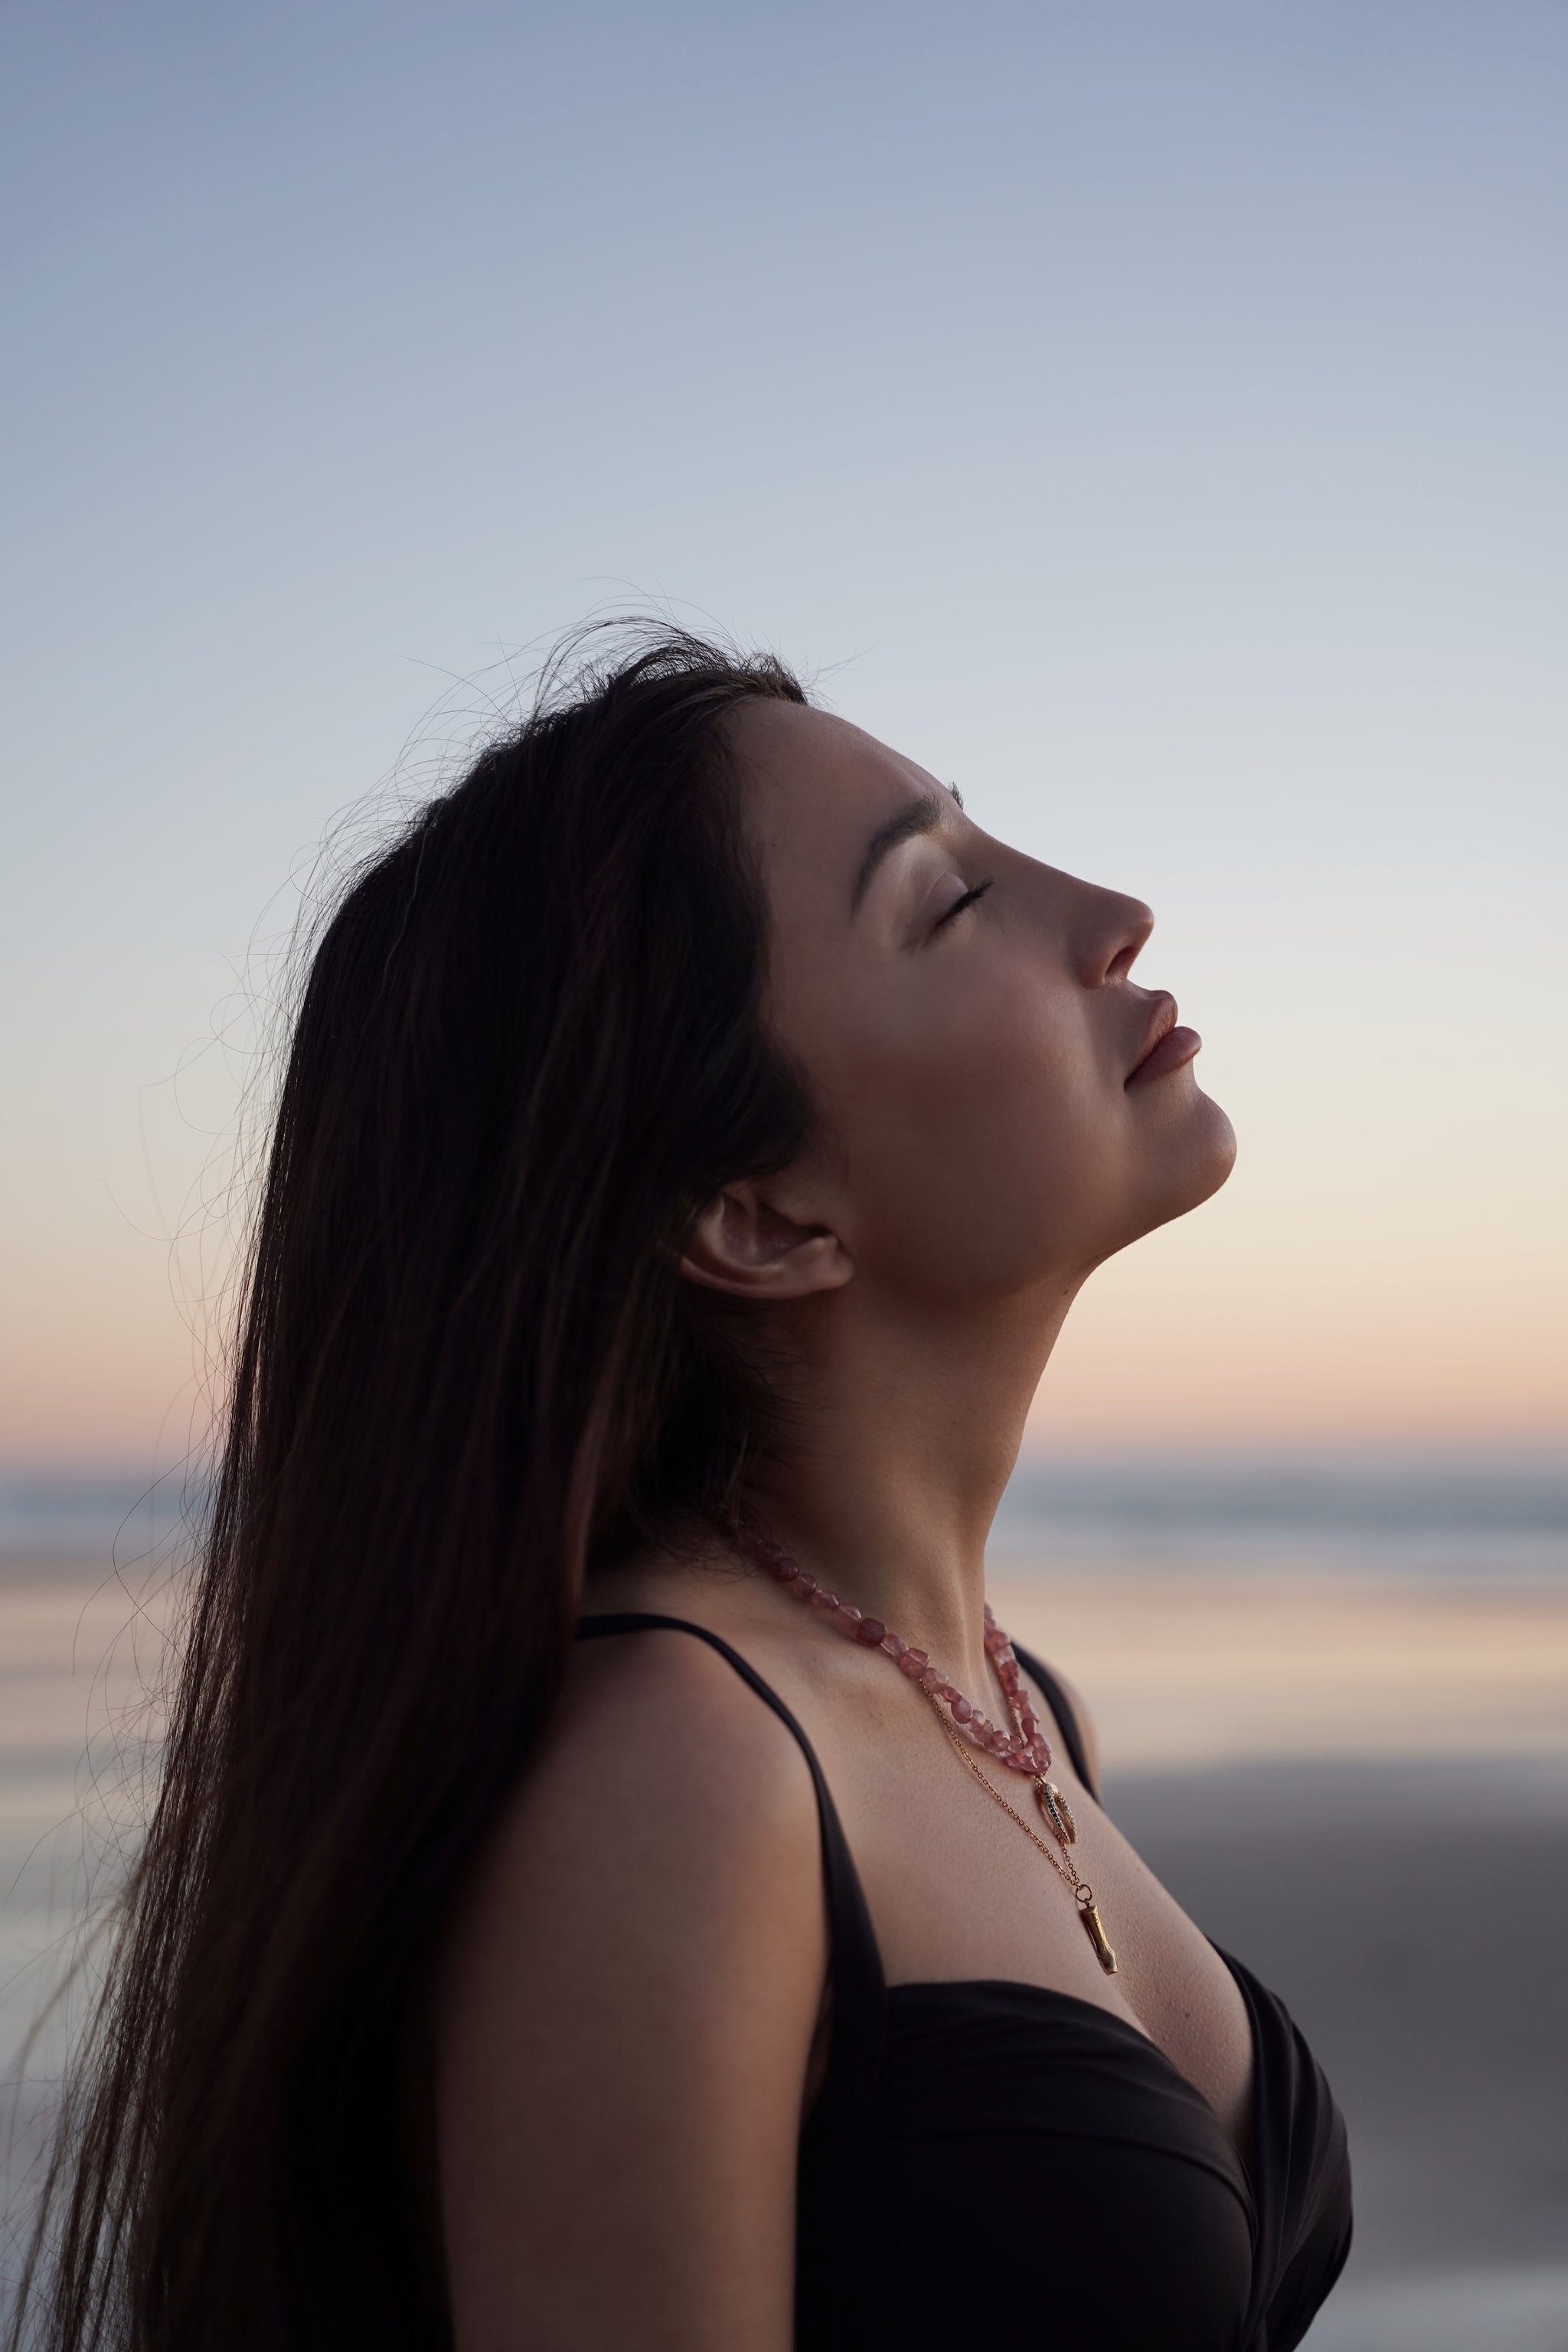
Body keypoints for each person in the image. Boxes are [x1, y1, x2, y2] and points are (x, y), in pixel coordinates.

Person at [21, 626, 1351, 2352]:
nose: (1109, 909)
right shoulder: (679, 1769)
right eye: (946, 900)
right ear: (756, 1214)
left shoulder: (1016, 1713)